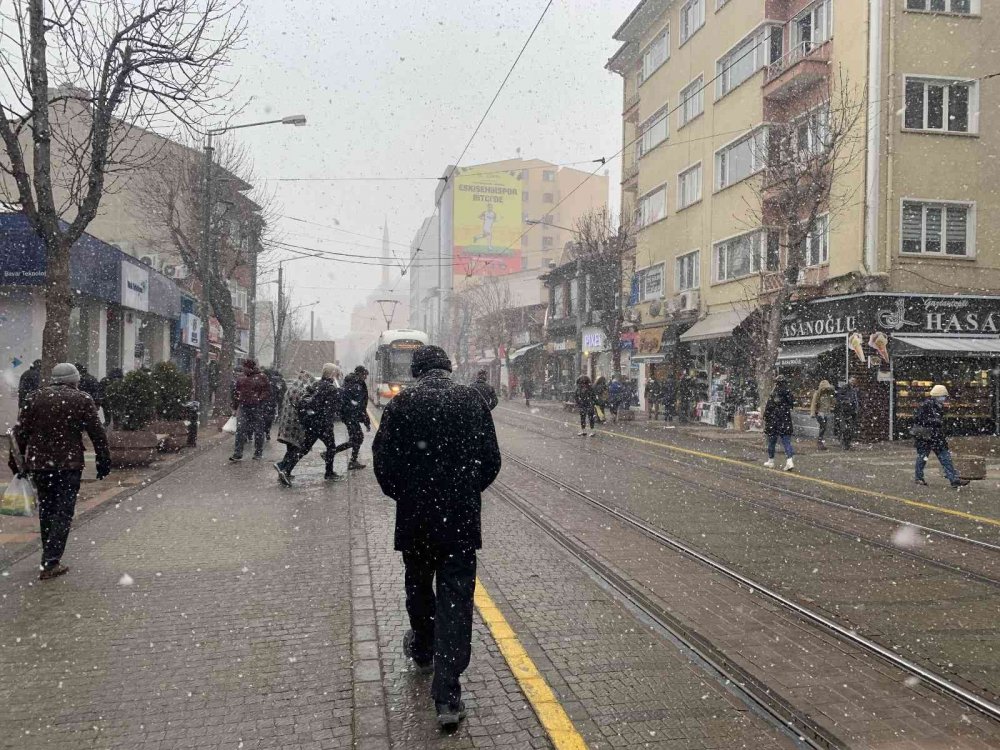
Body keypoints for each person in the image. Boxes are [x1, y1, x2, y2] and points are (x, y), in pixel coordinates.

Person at [371, 345, 500, 729]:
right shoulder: (471, 401)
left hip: (416, 519)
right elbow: (491, 461)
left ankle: (423, 646)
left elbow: (384, 465)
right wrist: (463, 491)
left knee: (419, 586)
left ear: (416, 370)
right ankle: (448, 693)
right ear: (447, 368)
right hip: (459, 521)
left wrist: (409, 494)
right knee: (457, 600)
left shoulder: (401, 405)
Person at [8, 363, 111, 580]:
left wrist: (16, 462)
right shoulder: (82, 399)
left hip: (40, 464)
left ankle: (48, 555)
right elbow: (97, 432)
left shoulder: (34, 398)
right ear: (74, 380)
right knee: (63, 512)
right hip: (69, 464)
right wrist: (103, 459)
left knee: (47, 509)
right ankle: (51, 561)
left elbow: (20, 432)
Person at [274, 363, 344, 483]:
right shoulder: (330, 389)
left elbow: (310, 401)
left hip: (312, 423)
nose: (337, 376)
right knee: (331, 448)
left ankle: (286, 470)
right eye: (336, 373)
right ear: (332, 374)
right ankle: (328, 473)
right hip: (323, 424)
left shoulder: (316, 384)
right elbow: (331, 408)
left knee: (303, 449)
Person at [913, 385, 969, 488]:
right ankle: (919, 478)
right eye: (943, 396)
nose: (944, 398)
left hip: (933, 436)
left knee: (942, 457)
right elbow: (918, 419)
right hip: (927, 436)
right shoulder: (928, 405)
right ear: (938, 396)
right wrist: (935, 422)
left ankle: (953, 479)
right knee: (926, 458)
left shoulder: (937, 405)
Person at [273, 371, 314, 485]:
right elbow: (301, 405)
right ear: (304, 378)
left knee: (291, 448)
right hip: (293, 424)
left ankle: (284, 470)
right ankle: (282, 467)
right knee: (297, 448)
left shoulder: (293, 387)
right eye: (308, 379)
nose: (308, 382)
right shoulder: (298, 390)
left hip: (287, 422)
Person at [230, 358, 272, 462]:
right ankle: (238, 453)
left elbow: (267, 391)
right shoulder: (241, 378)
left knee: (258, 430)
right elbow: (236, 393)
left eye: (246, 367)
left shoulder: (261, 377)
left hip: (257, 407)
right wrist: (235, 407)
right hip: (244, 406)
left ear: (251, 368)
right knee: (240, 429)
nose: (244, 369)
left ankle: (258, 452)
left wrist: (259, 399)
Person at [333, 365, 373, 470]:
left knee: (356, 438)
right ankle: (333, 453)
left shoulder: (350, 382)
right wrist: (366, 421)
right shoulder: (357, 385)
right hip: (351, 416)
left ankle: (351, 460)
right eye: (364, 375)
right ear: (360, 374)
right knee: (358, 438)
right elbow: (360, 406)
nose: (365, 377)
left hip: (349, 415)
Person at [763, 375, 795, 471]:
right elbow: (792, 404)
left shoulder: (774, 393)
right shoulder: (788, 393)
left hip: (774, 421)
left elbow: (768, 407)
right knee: (786, 442)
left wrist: (766, 417)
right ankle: (789, 461)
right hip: (785, 420)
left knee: (772, 442)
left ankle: (771, 460)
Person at [834, 377, 860, 451]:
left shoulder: (856, 389)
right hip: (846, 410)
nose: (853, 382)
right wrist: (846, 401)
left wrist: (857, 407)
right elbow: (839, 396)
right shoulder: (845, 387)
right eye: (852, 380)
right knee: (846, 428)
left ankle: (847, 442)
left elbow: (857, 399)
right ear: (849, 381)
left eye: (854, 381)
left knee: (852, 428)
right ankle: (845, 443)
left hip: (853, 411)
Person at [261, 368, 287, 441]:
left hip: (264, 402)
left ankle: (263, 431)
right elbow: (280, 391)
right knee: (269, 418)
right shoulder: (276, 382)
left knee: (263, 417)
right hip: (271, 403)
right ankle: (267, 431)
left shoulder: (263, 381)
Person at [810, 379, 835, 450]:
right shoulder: (817, 393)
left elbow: (832, 402)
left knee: (823, 427)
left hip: (825, 413)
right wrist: (813, 412)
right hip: (819, 413)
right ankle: (819, 442)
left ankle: (820, 442)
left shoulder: (828, 394)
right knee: (823, 427)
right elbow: (814, 403)